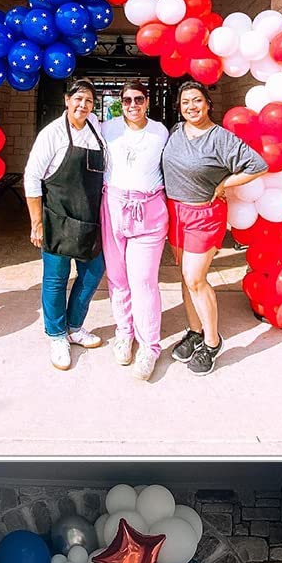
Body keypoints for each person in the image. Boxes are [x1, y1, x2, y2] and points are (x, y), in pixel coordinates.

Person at [161, 80, 267, 376]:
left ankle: (211, 341)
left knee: (196, 278)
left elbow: (257, 165)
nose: (191, 107)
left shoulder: (221, 138)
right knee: (185, 276)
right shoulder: (175, 133)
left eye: (197, 101)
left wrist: (224, 183)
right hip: (175, 212)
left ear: (208, 104)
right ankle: (195, 331)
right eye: (185, 103)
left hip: (203, 215)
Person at [24, 77, 107, 372]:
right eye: (78, 99)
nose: (82, 105)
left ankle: (74, 326)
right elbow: (32, 177)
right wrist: (37, 223)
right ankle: (57, 335)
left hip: (89, 219)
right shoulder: (52, 133)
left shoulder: (97, 128)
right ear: (66, 100)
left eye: (88, 100)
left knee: (94, 272)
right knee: (56, 279)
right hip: (57, 217)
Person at [101, 80, 170, 381]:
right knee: (117, 278)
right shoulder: (106, 128)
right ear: (120, 102)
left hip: (149, 210)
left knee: (143, 280)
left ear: (147, 101)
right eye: (126, 100)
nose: (132, 105)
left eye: (138, 99)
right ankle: (124, 333)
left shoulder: (160, 132)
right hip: (114, 206)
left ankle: (149, 346)